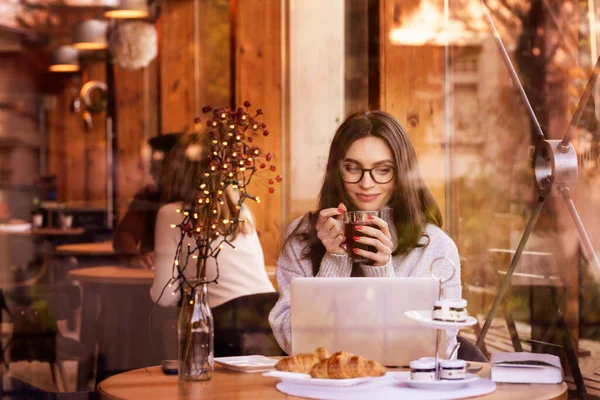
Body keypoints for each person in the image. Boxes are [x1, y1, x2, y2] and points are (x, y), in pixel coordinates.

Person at [268, 110, 461, 356]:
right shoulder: (303, 235)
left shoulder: (436, 246)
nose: (366, 183)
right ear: (336, 170)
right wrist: (334, 262)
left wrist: (381, 271)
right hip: (324, 388)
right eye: (352, 168)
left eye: (383, 170)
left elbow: (438, 349)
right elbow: (291, 342)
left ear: (401, 173)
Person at [150, 133, 275, 308]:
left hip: (227, 323)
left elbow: (164, 296)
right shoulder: (241, 211)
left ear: (176, 171)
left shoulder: (172, 214)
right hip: (268, 317)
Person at [113, 133, 182, 268]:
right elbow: (125, 235)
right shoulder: (150, 196)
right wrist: (135, 259)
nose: (150, 171)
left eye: (156, 165)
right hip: (156, 275)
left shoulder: (199, 199)